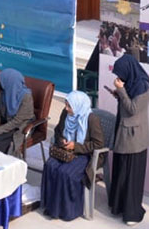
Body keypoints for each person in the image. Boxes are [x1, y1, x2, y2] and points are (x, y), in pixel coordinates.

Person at [41, 90, 105, 221]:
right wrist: (62, 141)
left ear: (78, 106)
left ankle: (67, 211)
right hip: (66, 151)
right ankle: (51, 207)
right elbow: (58, 131)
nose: (66, 108)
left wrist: (75, 146)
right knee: (50, 166)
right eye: (66, 105)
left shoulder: (91, 119)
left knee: (66, 172)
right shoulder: (66, 114)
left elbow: (98, 144)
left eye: (69, 106)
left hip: (85, 155)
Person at [106, 54, 149, 225]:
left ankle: (131, 213)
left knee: (131, 176)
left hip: (134, 139)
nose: (119, 78)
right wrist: (119, 94)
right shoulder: (132, 83)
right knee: (121, 172)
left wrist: (121, 91)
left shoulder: (142, 86)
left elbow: (133, 109)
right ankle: (117, 206)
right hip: (124, 134)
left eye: (120, 74)